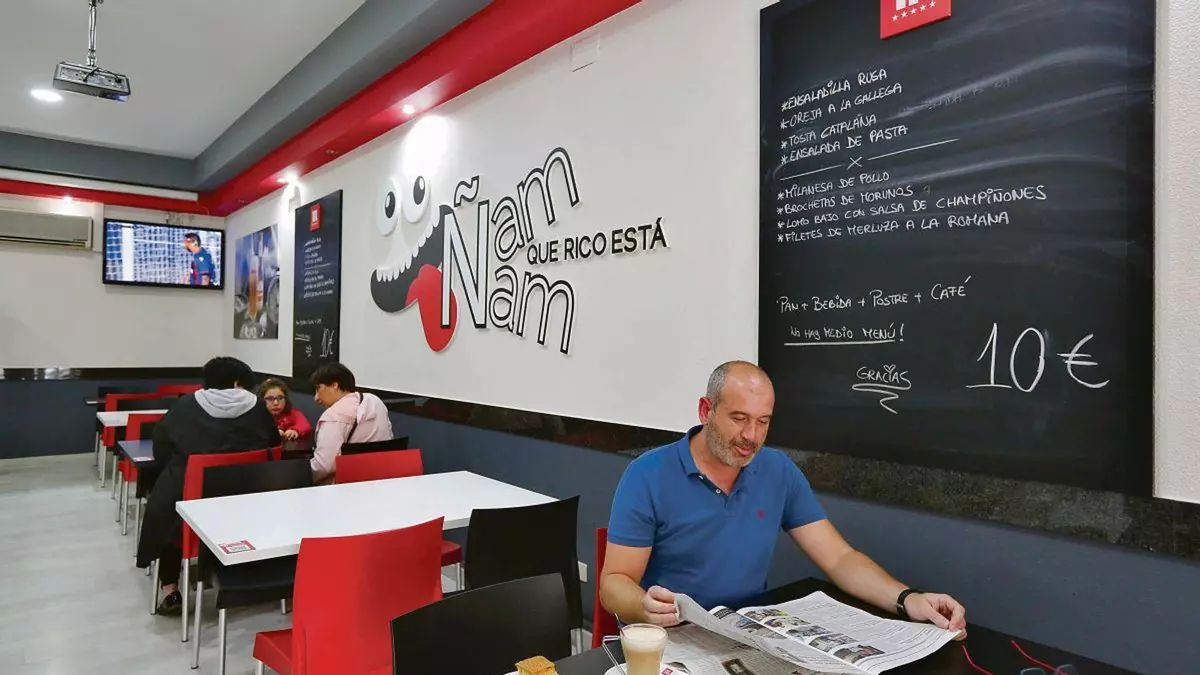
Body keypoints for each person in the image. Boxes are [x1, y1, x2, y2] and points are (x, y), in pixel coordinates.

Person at [599, 361, 968, 638]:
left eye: (763, 421)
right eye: (739, 418)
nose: (751, 436)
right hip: (670, 638)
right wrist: (644, 606)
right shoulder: (647, 475)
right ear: (705, 411)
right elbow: (613, 583)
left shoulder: (778, 471)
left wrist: (908, 599)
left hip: (743, 634)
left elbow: (839, 558)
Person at [136, 357, 280, 615]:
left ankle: (170, 588)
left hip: (193, 499)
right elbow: (273, 443)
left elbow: (161, 448)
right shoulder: (257, 407)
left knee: (168, 509)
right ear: (237, 382)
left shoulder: (185, 406)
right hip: (247, 498)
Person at [310, 362, 393, 483]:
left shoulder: (334, 416)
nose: (316, 397)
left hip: (345, 487)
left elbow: (324, 466)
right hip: (385, 480)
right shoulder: (375, 401)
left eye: (318, 388)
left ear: (334, 385)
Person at [259, 378, 312, 446]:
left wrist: (294, 430)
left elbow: (305, 425)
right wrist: (274, 432)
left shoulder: (293, 413)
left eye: (280, 398)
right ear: (261, 400)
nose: (276, 403)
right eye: (270, 399)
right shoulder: (257, 415)